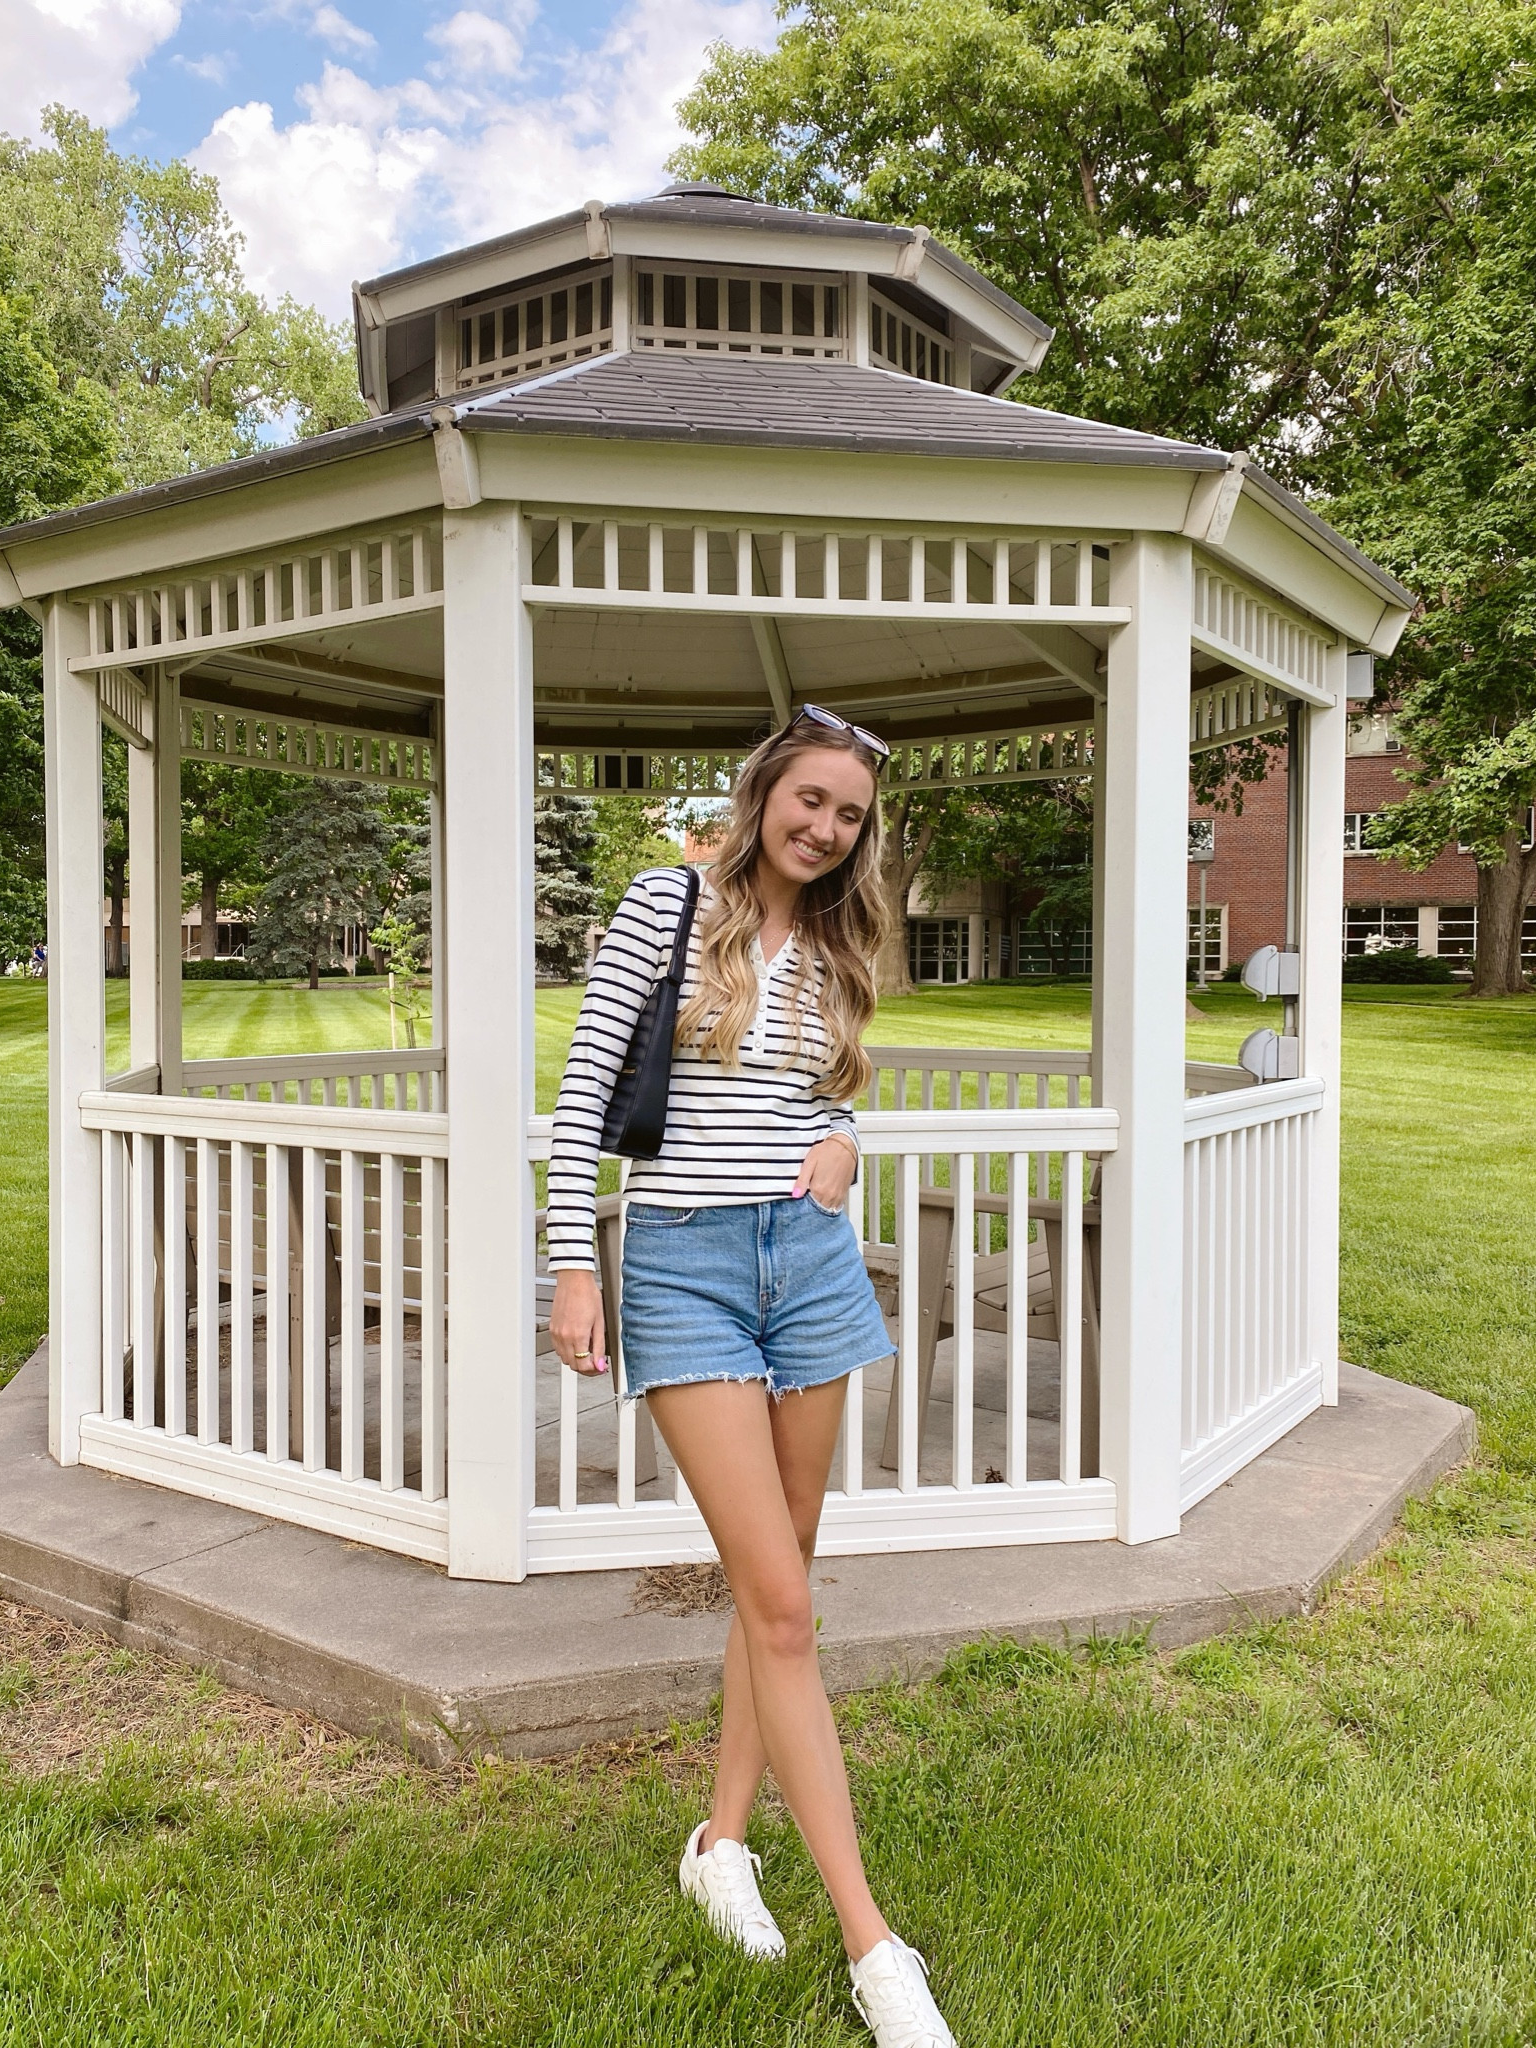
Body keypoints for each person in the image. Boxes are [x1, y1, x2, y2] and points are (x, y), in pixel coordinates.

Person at [547, 708, 957, 2048]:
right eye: (812, 800)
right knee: (782, 1605)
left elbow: (822, 1097)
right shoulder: (664, 904)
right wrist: (572, 1265)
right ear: (764, 789)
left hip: (813, 1264)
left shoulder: (838, 941)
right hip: (686, 1265)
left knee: (783, 1577)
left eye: (850, 815)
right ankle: (875, 1947)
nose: (826, 829)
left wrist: (845, 1142)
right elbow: (584, 1095)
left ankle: (721, 1843)